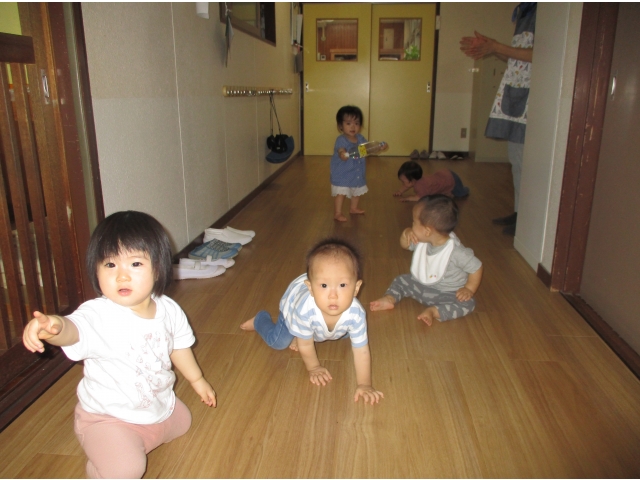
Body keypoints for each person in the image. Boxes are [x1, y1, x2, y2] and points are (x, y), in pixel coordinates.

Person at [22, 211, 216, 479]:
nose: (122, 276)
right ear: (96, 270)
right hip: (107, 418)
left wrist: (197, 379)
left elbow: (179, 347)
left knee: (183, 421)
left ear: (158, 268)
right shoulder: (98, 314)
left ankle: (134, 443)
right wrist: (54, 327)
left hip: (156, 406)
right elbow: (73, 330)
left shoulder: (169, 309)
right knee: (127, 470)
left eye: (135, 264)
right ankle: (103, 463)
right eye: (110, 265)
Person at [240, 238, 384, 405]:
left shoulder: (356, 314)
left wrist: (365, 384)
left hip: (316, 322)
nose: (333, 295)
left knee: (347, 334)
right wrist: (314, 368)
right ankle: (260, 320)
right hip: (292, 307)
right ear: (310, 288)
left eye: (343, 285)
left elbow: (361, 351)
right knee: (278, 342)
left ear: (356, 288)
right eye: (324, 286)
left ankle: (303, 333)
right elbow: (306, 346)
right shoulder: (303, 311)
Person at [460, 2, 537, 235]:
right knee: (517, 159)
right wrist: (492, 48)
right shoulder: (525, 12)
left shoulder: (548, 12)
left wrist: (495, 46)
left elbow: (542, 56)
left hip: (533, 98)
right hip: (519, 94)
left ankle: (528, 219)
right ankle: (519, 212)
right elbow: (519, 60)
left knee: (528, 163)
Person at [370, 195, 483, 326]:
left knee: (468, 303)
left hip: (447, 294)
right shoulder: (423, 241)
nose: (412, 225)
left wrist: (469, 288)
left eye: (414, 223)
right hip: (420, 285)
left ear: (427, 231)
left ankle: (434, 311)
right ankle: (390, 298)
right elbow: (405, 245)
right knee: (402, 280)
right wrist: (406, 234)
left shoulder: (457, 252)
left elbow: (476, 267)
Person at [330, 105, 388, 222]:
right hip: (343, 174)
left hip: (356, 171)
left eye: (356, 123)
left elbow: (368, 148)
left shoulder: (360, 138)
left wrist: (379, 147)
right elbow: (340, 149)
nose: (353, 127)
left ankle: (353, 208)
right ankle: (338, 213)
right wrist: (342, 154)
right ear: (340, 126)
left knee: (357, 191)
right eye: (348, 123)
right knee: (341, 193)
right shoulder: (341, 139)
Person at [393, 161, 470, 201]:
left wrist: (408, 198)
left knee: (460, 194)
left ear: (413, 180)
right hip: (444, 175)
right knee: (440, 187)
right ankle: (447, 190)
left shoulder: (421, 186)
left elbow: (419, 197)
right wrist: (400, 191)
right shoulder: (416, 180)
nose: (403, 184)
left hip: (452, 179)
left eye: (403, 181)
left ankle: (466, 189)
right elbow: (406, 186)